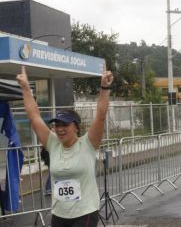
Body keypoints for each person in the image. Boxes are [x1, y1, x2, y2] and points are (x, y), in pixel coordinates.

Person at [16, 65, 113, 227]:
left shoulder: (87, 144)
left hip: (85, 212)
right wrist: (26, 88)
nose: (60, 129)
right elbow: (34, 117)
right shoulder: (53, 143)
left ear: (76, 127)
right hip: (59, 214)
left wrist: (104, 87)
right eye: (57, 125)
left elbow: (101, 116)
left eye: (65, 125)